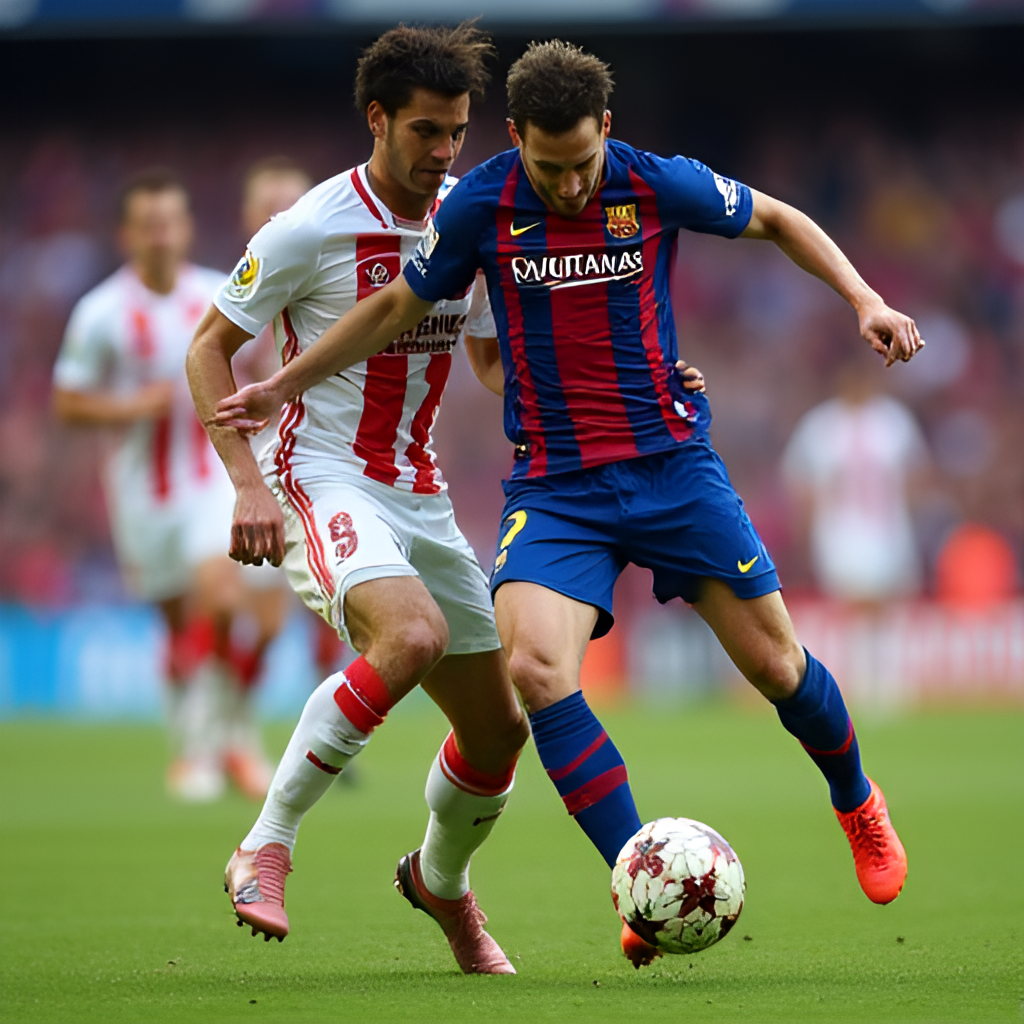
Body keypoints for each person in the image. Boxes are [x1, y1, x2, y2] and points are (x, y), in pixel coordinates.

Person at [213, 40, 924, 969]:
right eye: (548, 167)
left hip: (674, 468)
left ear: (608, 135)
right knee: (539, 673)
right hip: (555, 489)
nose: (568, 186)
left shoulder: (653, 182)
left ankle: (858, 803)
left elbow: (783, 220)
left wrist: (864, 299)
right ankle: (638, 878)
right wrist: (283, 383)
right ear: (516, 141)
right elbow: (394, 308)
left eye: (583, 163)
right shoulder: (480, 204)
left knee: (778, 668)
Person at [188, 23, 536, 976]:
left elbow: (484, 356)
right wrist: (248, 482)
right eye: (425, 131)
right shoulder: (308, 226)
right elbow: (205, 347)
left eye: (458, 132)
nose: (443, 153)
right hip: (321, 472)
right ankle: (267, 842)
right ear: (377, 120)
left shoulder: (464, 212)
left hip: (418, 490)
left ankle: (441, 886)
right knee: (410, 636)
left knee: (501, 731)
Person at [52, 170, 276, 801]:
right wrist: (130, 408)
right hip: (143, 496)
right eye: (147, 224)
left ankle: (215, 744)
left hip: (214, 480)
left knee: (226, 598)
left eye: (170, 221)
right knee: (182, 627)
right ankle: (204, 743)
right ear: (127, 233)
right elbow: (67, 403)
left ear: (186, 228)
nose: (160, 235)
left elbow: (258, 358)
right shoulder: (100, 313)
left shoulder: (217, 294)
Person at [782, 358, 929, 606]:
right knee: (851, 612)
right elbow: (801, 488)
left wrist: (908, 516)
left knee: (893, 613)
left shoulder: (893, 420)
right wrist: (806, 537)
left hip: (890, 532)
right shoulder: (820, 425)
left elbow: (917, 477)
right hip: (840, 535)